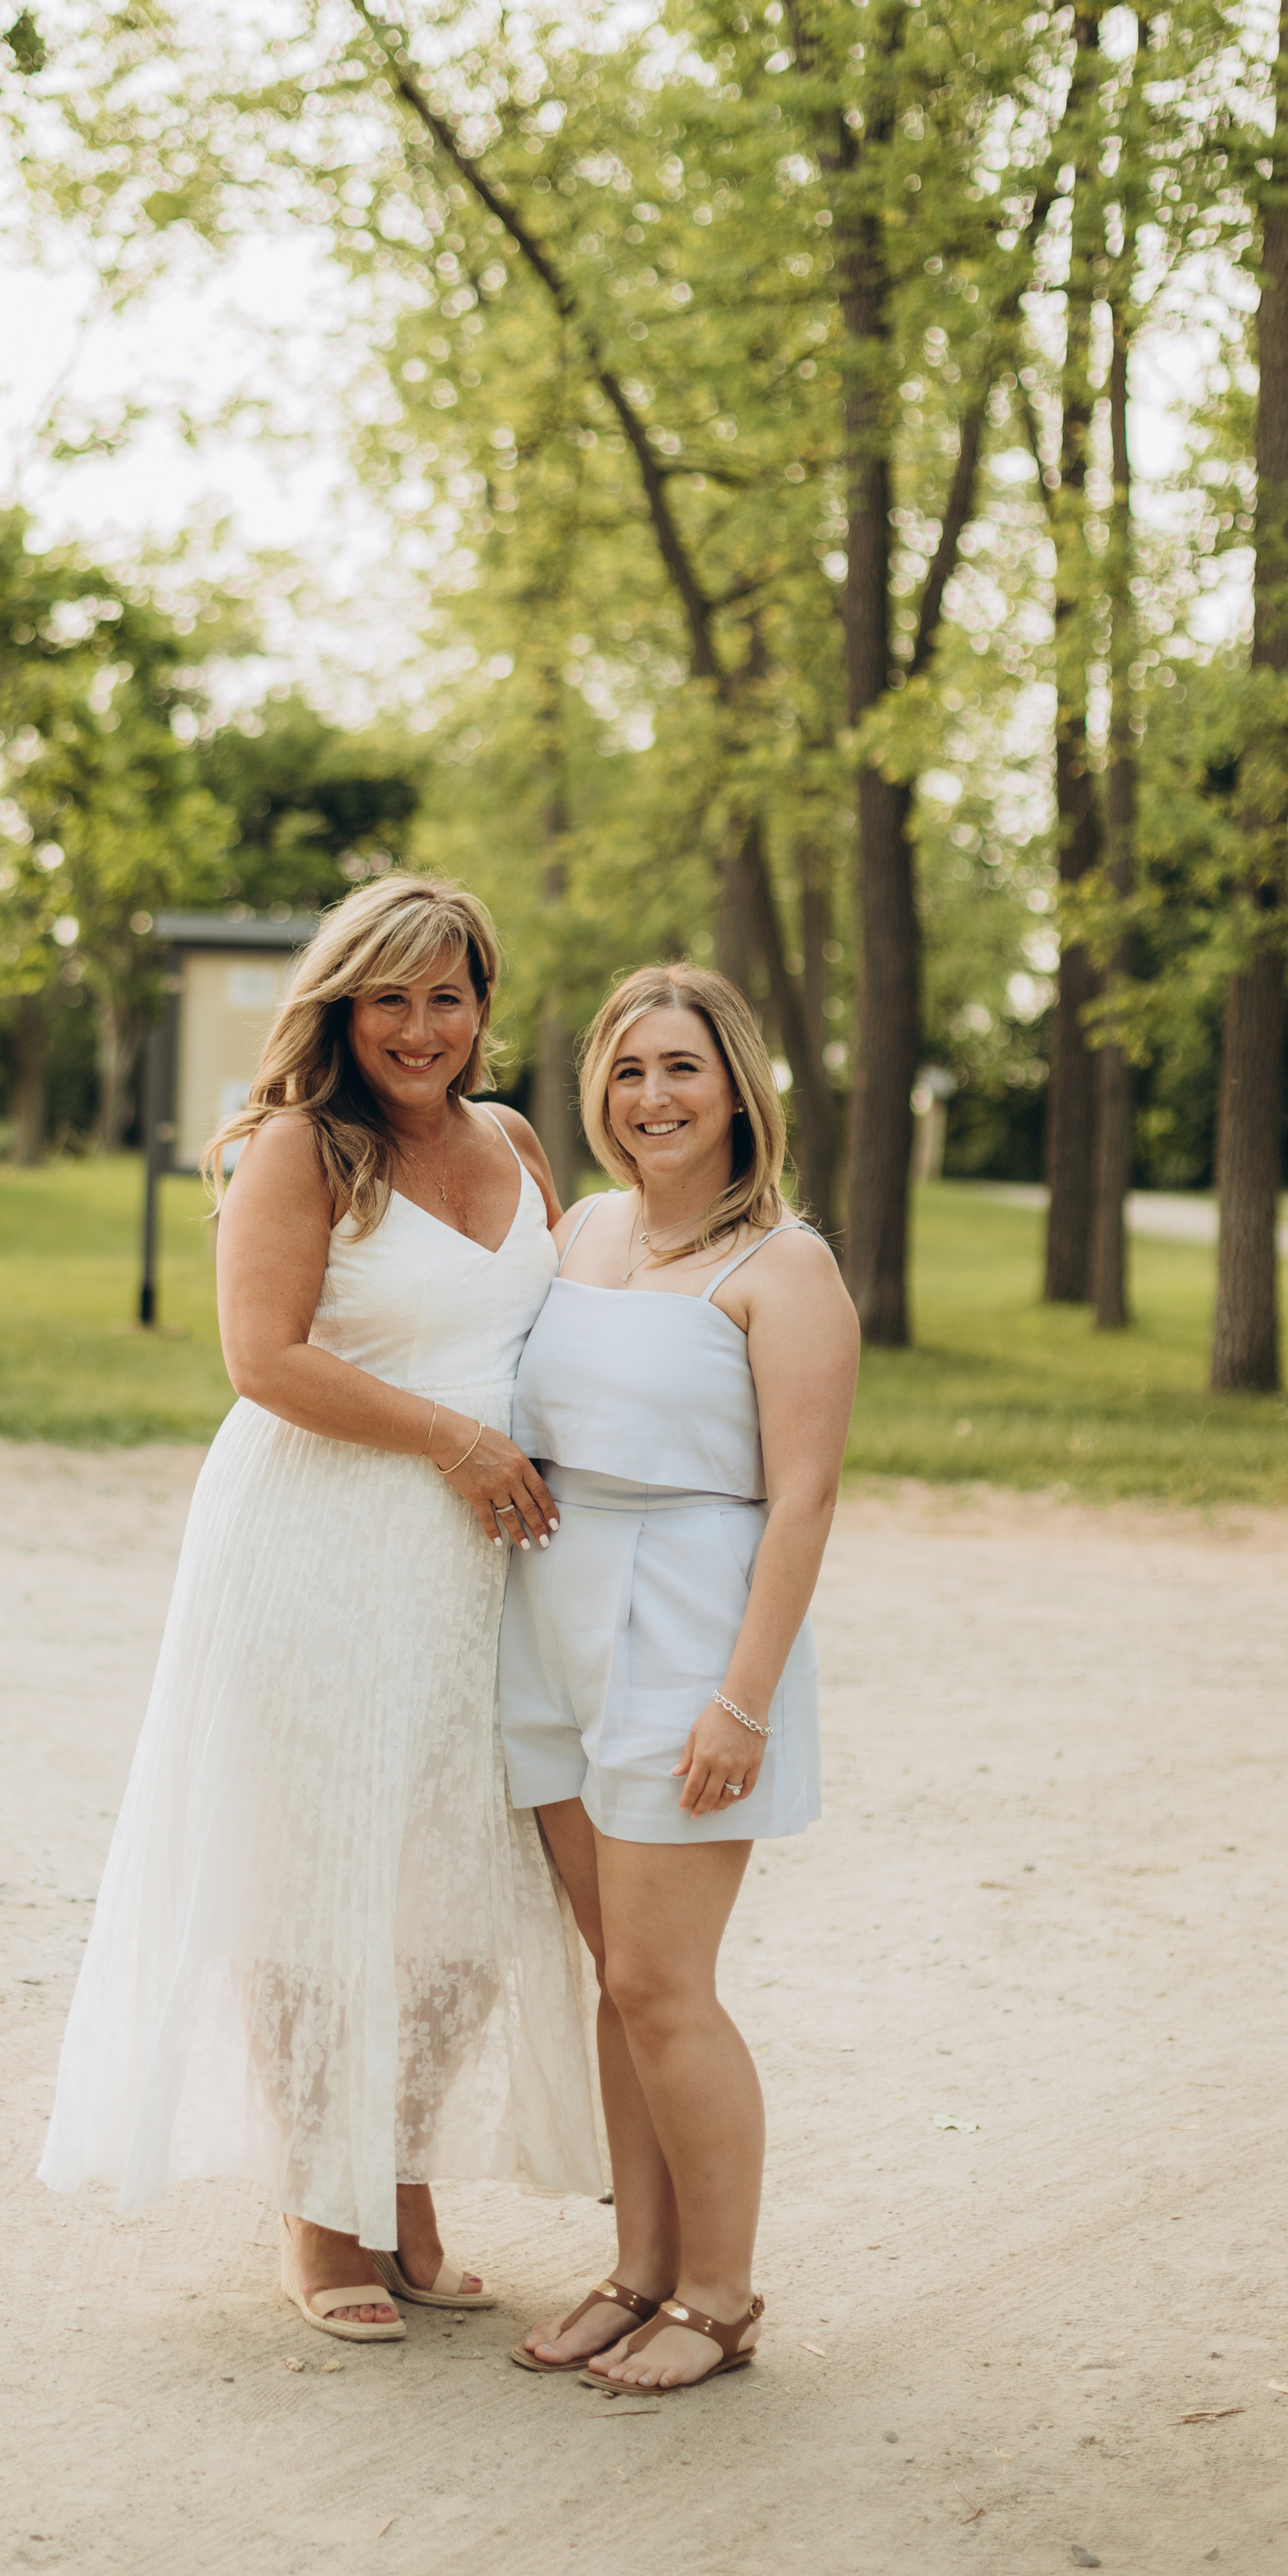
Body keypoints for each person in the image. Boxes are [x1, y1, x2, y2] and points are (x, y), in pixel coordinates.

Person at [37, 874, 600, 2341]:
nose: (419, 1027)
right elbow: (263, 1358)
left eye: (446, 996)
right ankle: (316, 2206)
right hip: (323, 1542)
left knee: (461, 1889)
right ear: (342, 1010)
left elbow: (562, 1328)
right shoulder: (300, 1147)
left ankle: (399, 2181)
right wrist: (458, 1441)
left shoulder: (517, 1142)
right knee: (315, 1871)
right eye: (388, 998)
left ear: (482, 1005)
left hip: (482, 1565)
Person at [502, 965, 859, 2395]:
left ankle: (720, 2295)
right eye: (630, 1068)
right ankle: (637, 2272)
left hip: (689, 1630)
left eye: (683, 1068)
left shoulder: (784, 1266)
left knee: (665, 1983)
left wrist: (743, 1700)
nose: (654, 1096)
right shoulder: (582, 1229)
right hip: (552, 1623)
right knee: (620, 1980)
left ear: (738, 1089)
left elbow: (806, 1499)